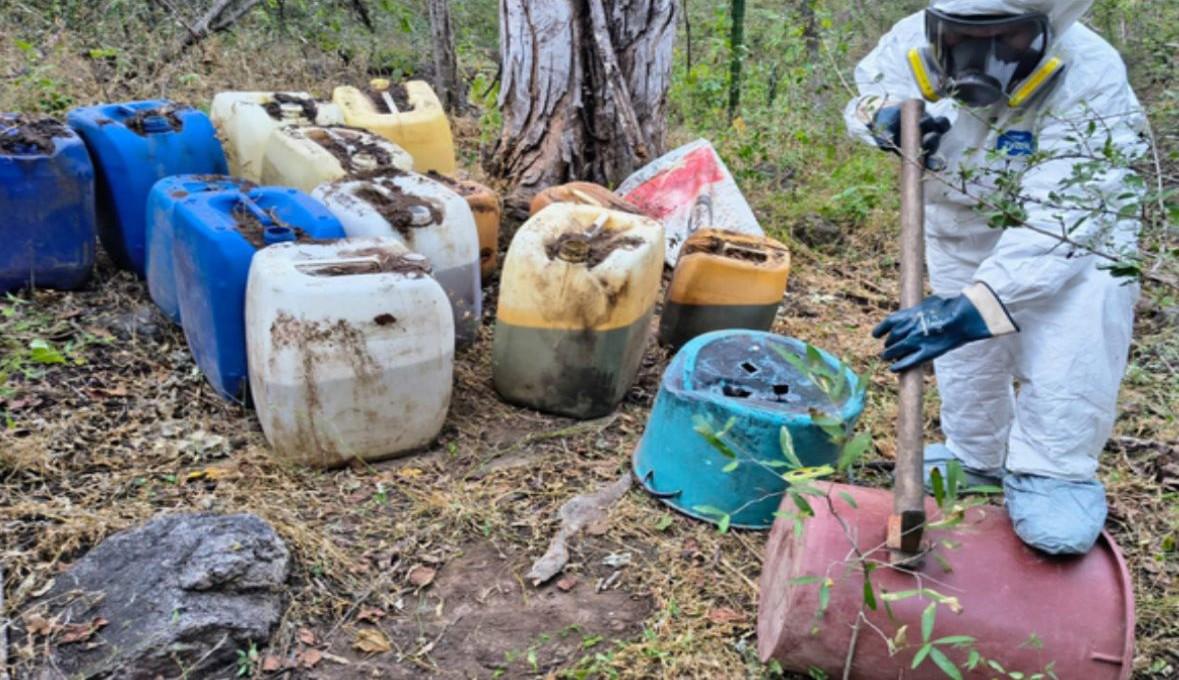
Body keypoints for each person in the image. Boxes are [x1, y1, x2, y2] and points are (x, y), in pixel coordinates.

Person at [843, 0, 1146, 555]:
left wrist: (976, 307)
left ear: (1045, 33)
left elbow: (1065, 217)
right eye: (963, 37)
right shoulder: (913, 40)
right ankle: (978, 457)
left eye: (1007, 41)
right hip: (961, 220)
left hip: (1076, 236)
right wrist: (881, 119)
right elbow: (869, 91)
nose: (981, 56)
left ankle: (1053, 472)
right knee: (968, 359)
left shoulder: (1090, 75)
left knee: (1067, 347)